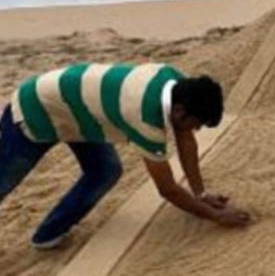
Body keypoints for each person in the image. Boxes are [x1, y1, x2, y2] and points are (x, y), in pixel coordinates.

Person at [0, 62, 250, 249]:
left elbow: (186, 139)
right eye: (197, 123)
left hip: (79, 112)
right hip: (33, 110)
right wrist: (216, 216)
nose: (196, 129)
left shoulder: (176, 82)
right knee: (4, 183)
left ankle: (47, 235)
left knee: (105, 171)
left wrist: (201, 194)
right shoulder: (146, 118)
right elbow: (167, 189)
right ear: (179, 111)